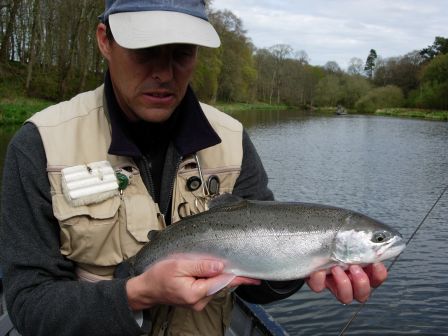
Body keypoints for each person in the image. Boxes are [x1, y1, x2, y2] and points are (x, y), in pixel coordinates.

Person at [0, 1, 387, 335]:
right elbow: (29, 304)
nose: (165, 73)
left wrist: (301, 269)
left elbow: (255, 287)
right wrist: (135, 294)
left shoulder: (232, 140)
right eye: (145, 49)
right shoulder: (41, 146)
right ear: (105, 40)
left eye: (182, 52)